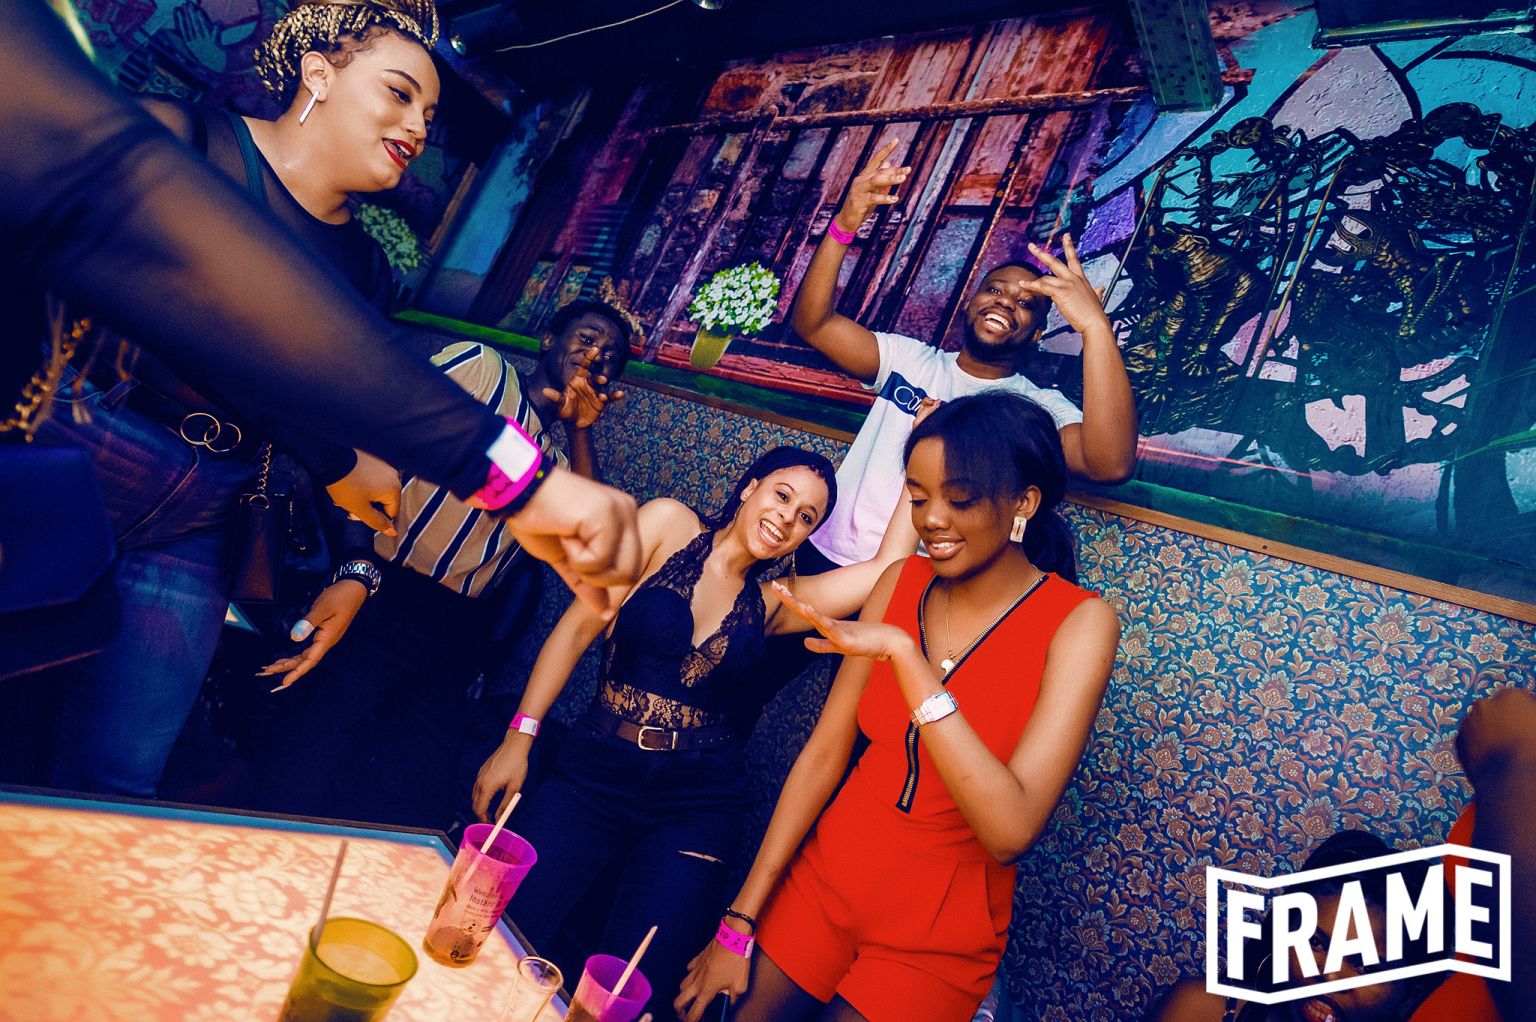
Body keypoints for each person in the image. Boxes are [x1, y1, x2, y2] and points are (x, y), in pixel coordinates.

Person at [2, 0, 640, 600]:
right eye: (400, 93)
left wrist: (359, 566)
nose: (418, 127)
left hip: (208, 511)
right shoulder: (184, 139)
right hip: (84, 439)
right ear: (318, 75)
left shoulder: (366, 264)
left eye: (429, 115)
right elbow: (213, 328)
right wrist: (519, 481)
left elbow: (351, 406)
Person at [676, 393, 1121, 1022]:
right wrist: (739, 921)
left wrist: (906, 658)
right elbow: (823, 756)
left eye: (959, 500)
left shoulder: (1080, 622)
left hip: (938, 932)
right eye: (918, 497)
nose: (932, 519)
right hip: (825, 878)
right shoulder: (899, 582)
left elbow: (1010, 832)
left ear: (1023, 503)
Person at [471, 446, 919, 1018]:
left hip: (696, 805)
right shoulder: (666, 524)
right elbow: (576, 628)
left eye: (806, 517)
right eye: (782, 495)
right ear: (750, 487)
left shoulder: (775, 603)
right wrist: (519, 738)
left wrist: (913, 464)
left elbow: (889, 572)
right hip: (592, 773)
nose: (787, 518)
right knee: (501, 934)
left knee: (633, 989)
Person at [252, 288, 635, 827]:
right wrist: (352, 560)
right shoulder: (484, 368)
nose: (596, 355)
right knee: (306, 756)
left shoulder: (558, 464)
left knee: (415, 794)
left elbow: (587, 541)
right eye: (588, 338)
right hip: (381, 589)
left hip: (455, 626)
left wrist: (580, 430)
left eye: (610, 356)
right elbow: (380, 424)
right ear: (548, 340)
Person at [789, 138, 1137, 574]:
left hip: (919, 582)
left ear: (1038, 334)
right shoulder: (908, 360)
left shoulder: (1035, 408)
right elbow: (814, 324)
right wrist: (844, 223)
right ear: (970, 305)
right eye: (994, 290)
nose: (1005, 302)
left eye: (1025, 302)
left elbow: (1111, 465)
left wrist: (1095, 328)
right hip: (824, 553)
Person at [1149, 831, 1443, 1022]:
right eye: (1315, 942)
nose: (1329, 975)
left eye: (1365, 966)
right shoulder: (1198, 1010)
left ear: (1411, 993)